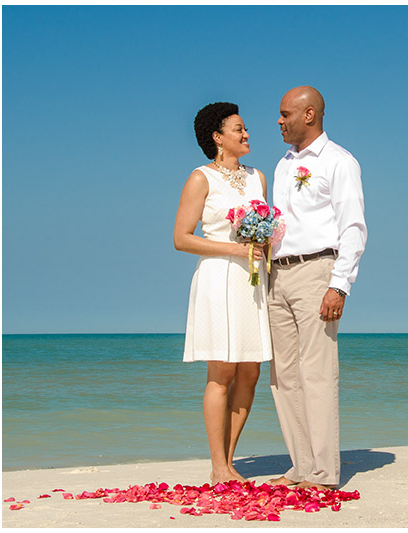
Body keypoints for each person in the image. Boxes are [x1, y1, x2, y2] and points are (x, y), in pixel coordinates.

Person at [267, 86, 366, 491]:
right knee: (283, 376)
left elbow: (354, 228)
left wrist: (338, 285)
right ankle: (301, 466)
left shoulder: (339, 162)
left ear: (309, 115)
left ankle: (325, 472)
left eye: (285, 113)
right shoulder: (282, 165)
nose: (278, 120)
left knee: (317, 373)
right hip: (277, 273)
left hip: (317, 271)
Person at [174, 102, 272, 484]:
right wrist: (235, 249)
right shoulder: (201, 178)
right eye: (238, 129)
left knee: (250, 372)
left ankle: (228, 462)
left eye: (245, 128)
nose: (246, 134)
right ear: (217, 138)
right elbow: (181, 239)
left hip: (252, 282)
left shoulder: (257, 178)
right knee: (222, 372)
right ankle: (218, 466)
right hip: (218, 279)